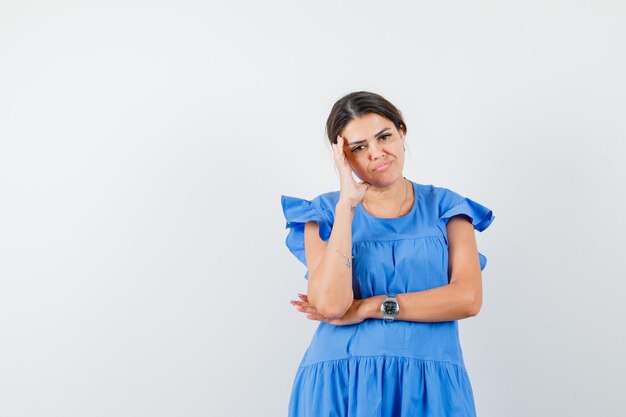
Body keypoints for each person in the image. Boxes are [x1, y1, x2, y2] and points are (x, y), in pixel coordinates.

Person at [280, 91, 495, 416]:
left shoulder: (447, 207)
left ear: (402, 132)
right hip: (342, 381)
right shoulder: (323, 213)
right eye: (359, 148)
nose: (376, 153)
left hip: (430, 382)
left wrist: (368, 307)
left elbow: (468, 299)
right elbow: (332, 305)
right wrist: (346, 206)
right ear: (343, 157)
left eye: (384, 137)